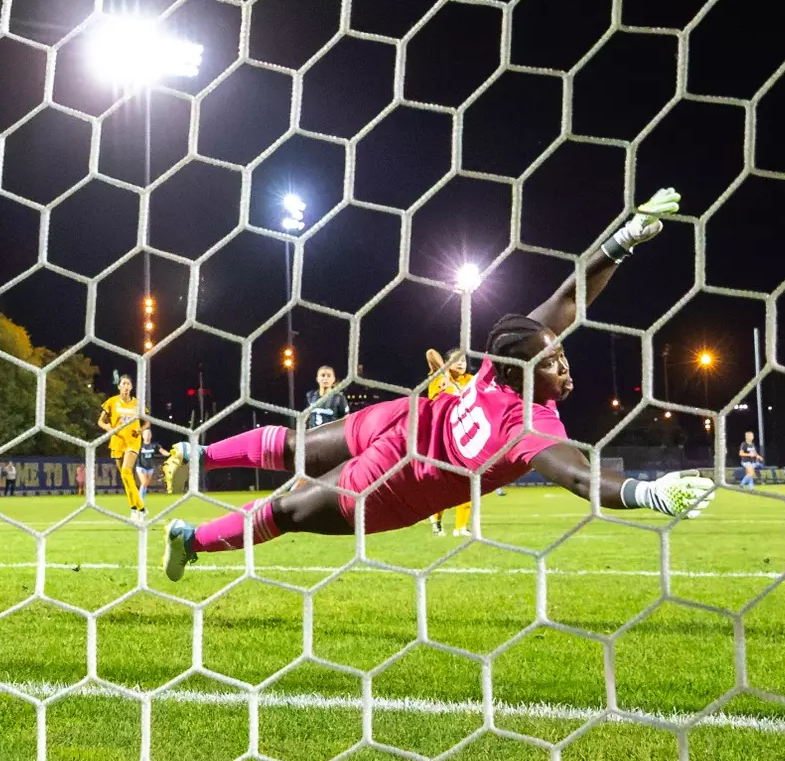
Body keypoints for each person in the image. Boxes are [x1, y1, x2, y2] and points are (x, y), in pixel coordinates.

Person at [159, 187, 713, 579]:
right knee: (290, 489)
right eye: (552, 361)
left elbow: (571, 300)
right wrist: (653, 495)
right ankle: (194, 500)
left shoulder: (512, 386)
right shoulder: (523, 412)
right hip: (396, 458)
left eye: (561, 355)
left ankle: (194, 491)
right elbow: (584, 477)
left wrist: (622, 241)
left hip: (397, 451)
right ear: (519, 369)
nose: (564, 366)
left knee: (296, 476)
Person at [423, 348, 476, 536]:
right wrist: (446, 374)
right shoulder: (438, 377)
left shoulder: (471, 380)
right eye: (455, 360)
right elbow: (430, 353)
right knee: (442, 485)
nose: (461, 363)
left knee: (468, 481)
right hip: (441, 439)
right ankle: (436, 521)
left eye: (463, 360)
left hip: (464, 438)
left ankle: (461, 527)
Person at [100, 374, 147, 524]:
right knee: (125, 477)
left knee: (127, 471)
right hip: (117, 441)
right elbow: (101, 421)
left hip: (132, 441)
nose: (126, 386)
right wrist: (108, 427)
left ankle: (142, 508)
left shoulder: (137, 404)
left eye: (128, 384)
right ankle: (133, 508)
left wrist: (141, 429)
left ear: (131, 387)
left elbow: (147, 423)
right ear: (119, 386)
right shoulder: (112, 402)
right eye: (123, 383)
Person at [134, 427, 161, 494]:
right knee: (144, 482)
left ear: (151, 436)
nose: (147, 436)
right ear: (143, 436)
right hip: (140, 466)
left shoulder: (154, 445)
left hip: (150, 468)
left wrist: (169, 454)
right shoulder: (139, 444)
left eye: (149, 434)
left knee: (145, 485)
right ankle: (140, 500)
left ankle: (141, 499)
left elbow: (162, 451)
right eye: (146, 434)